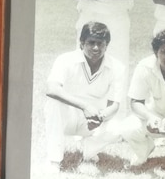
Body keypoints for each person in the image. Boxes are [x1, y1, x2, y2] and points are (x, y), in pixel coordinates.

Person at [44, 21, 125, 167]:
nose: (96, 48)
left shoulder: (117, 67)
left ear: (106, 45)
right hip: (67, 117)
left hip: (93, 120)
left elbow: (114, 105)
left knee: (119, 127)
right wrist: (85, 106)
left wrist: (101, 117)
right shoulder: (66, 60)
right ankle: (54, 160)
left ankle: (89, 151)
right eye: (91, 43)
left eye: (100, 43)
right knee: (54, 104)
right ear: (81, 43)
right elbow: (52, 89)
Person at [119, 28, 165, 170]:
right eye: (164, 52)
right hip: (157, 119)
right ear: (156, 53)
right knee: (127, 127)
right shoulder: (144, 66)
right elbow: (135, 102)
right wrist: (150, 117)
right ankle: (143, 151)